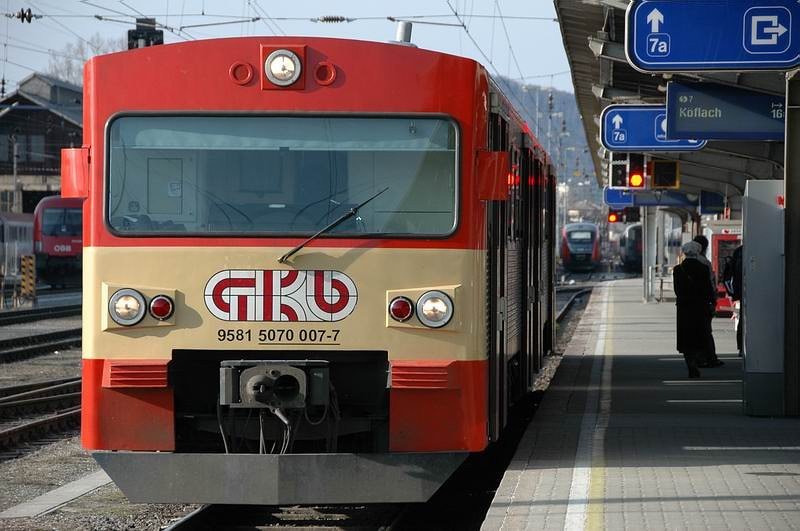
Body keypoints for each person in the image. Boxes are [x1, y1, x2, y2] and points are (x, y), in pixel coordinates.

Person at [673, 241, 717, 378]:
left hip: (684, 308)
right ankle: (698, 361)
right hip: (700, 307)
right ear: (698, 252)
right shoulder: (703, 268)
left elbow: (676, 290)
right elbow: (709, 289)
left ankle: (690, 364)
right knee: (699, 335)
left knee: (686, 337)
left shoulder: (678, 269)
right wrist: (712, 302)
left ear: (684, 252)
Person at [692, 235, 723, 367]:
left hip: (690, 303)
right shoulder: (705, 263)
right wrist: (714, 300)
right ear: (705, 247)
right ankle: (710, 358)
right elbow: (711, 283)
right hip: (704, 302)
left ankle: (698, 357)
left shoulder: (685, 263)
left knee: (694, 331)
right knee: (706, 331)